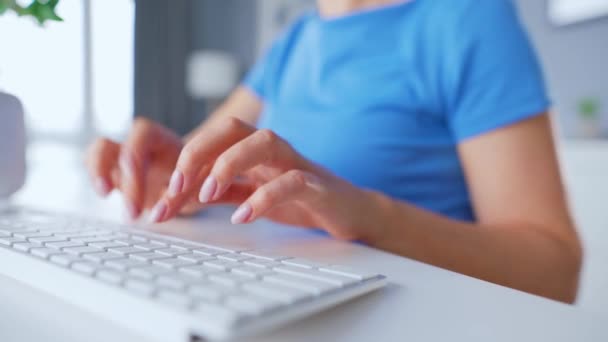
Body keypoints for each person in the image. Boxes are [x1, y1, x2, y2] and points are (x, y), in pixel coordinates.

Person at [86, 0, 582, 303]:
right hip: (267, 302)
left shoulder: (467, 19)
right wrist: (169, 175)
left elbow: (555, 271)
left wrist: (370, 215)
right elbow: (200, 171)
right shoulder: (295, 40)